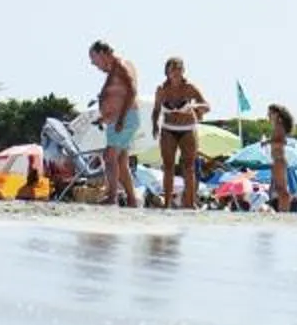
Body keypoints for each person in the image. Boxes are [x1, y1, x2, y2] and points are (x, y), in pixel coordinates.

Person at [88, 40, 141, 207]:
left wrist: (122, 118)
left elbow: (132, 91)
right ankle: (131, 199)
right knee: (121, 162)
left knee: (109, 156)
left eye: (93, 59)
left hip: (125, 118)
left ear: (102, 54)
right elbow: (119, 96)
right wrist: (104, 117)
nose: (93, 64)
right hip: (118, 119)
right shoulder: (114, 70)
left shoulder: (121, 66)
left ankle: (112, 197)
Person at [152, 56, 208, 209]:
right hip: (168, 128)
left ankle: (190, 203)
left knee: (189, 167)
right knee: (168, 166)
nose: (176, 72)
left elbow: (206, 105)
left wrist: (195, 107)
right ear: (167, 72)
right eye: (173, 69)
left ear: (183, 71)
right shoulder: (161, 89)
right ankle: (167, 203)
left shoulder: (190, 88)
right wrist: (154, 126)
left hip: (187, 128)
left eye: (179, 69)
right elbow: (156, 110)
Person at [265, 103, 297, 213]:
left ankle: (284, 209)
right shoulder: (277, 126)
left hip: (279, 159)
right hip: (277, 159)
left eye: (270, 113)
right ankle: (283, 208)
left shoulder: (279, 126)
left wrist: (268, 142)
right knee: (279, 188)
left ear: (277, 114)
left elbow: (282, 142)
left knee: (281, 188)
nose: (268, 115)